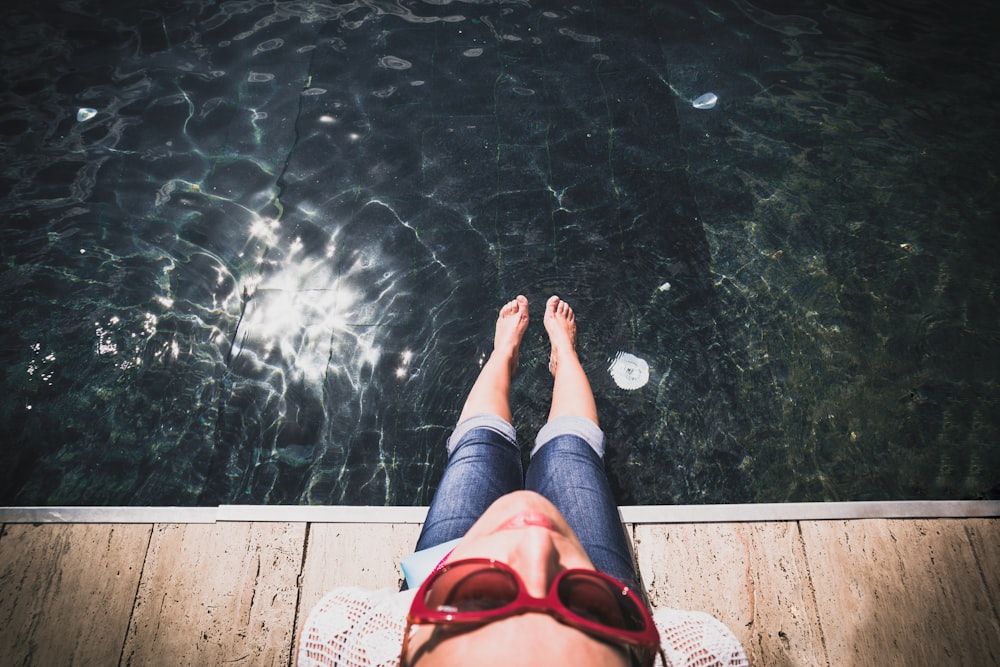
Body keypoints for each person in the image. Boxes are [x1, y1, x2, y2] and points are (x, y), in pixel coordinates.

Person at [298, 295, 748, 667]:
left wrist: (580, 602)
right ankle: (565, 356)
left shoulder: (357, 643)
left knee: (477, 445)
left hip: (441, 572)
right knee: (570, 449)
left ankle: (504, 354)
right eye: (587, 608)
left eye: (478, 597)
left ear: (405, 642)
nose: (536, 542)